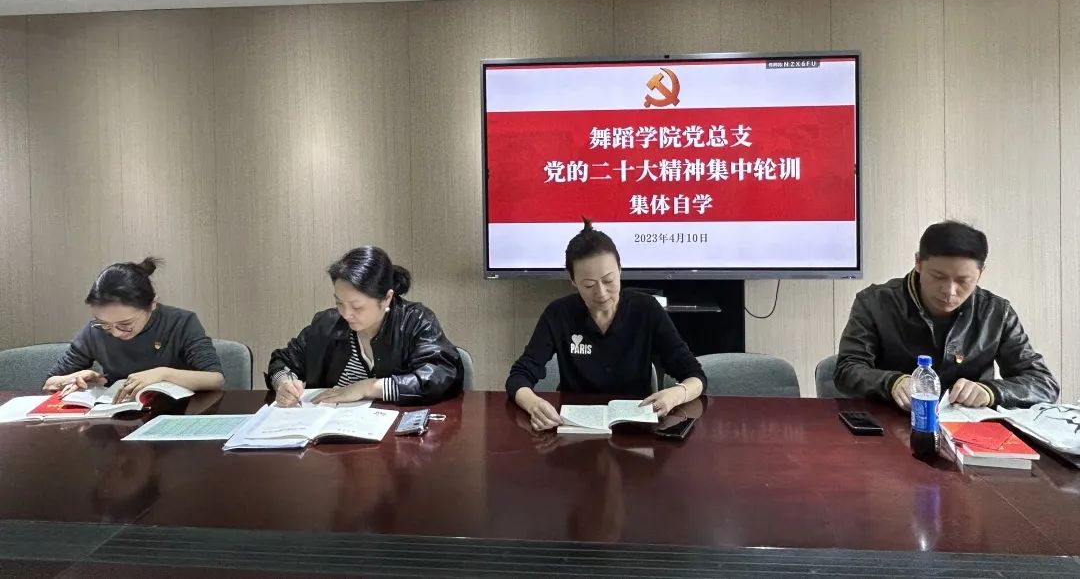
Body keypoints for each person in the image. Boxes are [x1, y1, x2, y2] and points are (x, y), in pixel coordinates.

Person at [506, 219, 706, 431]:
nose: (601, 293)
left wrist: (676, 395)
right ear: (573, 281)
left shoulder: (646, 309)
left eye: (609, 280)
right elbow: (519, 375)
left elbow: (695, 375)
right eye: (589, 285)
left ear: (620, 270)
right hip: (575, 428)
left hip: (635, 428)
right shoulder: (559, 314)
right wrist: (534, 404)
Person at [835, 221, 1059, 410]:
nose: (949, 291)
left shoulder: (996, 313)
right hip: (893, 420)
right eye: (938, 277)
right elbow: (847, 369)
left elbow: (1044, 384)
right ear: (918, 263)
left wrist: (991, 391)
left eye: (963, 281)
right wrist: (891, 382)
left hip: (970, 429)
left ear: (980, 273)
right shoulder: (875, 303)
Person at [267, 246, 463, 406]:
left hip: (395, 433)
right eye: (339, 303)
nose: (346, 314)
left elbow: (441, 375)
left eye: (357, 306)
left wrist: (370, 387)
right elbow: (283, 361)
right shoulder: (327, 324)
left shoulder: (415, 321)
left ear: (387, 298)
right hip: (331, 434)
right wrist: (284, 382)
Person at [43, 257, 225, 401]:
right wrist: (77, 378)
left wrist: (163, 373)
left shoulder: (180, 322)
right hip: (118, 416)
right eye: (104, 324)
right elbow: (49, 382)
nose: (115, 332)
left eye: (125, 324)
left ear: (152, 304)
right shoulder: (94, 331)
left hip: (178, 413)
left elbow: (215, 379)